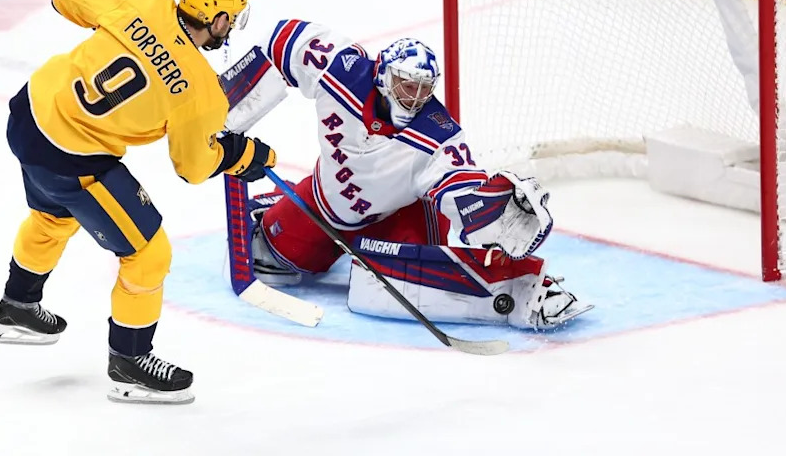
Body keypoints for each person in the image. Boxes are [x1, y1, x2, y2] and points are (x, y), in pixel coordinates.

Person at [0, 0, 277, 405]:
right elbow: (193, 167)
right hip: (73, 155)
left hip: (29, 116)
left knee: (52, 215)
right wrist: (243, 154)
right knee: (148, 253)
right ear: (217, 19)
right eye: (230, 18)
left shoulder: (142, 0)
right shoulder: (200, 91)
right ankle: (131, 363)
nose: (229, 26)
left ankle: (17, 307)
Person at [238, 19, 591, 330]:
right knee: (273, 263)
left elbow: (462, 186)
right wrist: (228, 106)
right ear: (382, 74)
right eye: (407, 84)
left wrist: (497, 210)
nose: (416, 96)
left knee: (417, 280)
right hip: (325, 202)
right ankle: (277, 206)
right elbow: (282, 40)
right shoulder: (340, 71)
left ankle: (526, 287)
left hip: (398, 215)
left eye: (425, 87)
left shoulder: (438, 135)